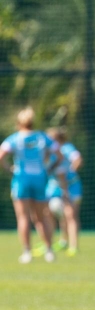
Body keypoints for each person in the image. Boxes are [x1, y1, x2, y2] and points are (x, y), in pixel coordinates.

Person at [0, 107, 64, 263]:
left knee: (23, 218)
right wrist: (49, 169)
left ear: (19, 123)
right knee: (41, 217)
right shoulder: (42, 138)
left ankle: (27, 252)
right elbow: (59, 155)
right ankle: (49, 251)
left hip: (21, 180)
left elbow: (1, 156)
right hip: (40, 179)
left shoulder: (14, 138)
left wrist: (9, 169)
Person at [45, 127, 82, 256]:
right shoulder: (47, 151)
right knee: (47, 213)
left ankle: (73, 246)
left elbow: (78, 159)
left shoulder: (67, 148)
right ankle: (55, 242)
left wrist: (71, 171)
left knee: (70, 214)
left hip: (71, 186)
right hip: (55, 186)